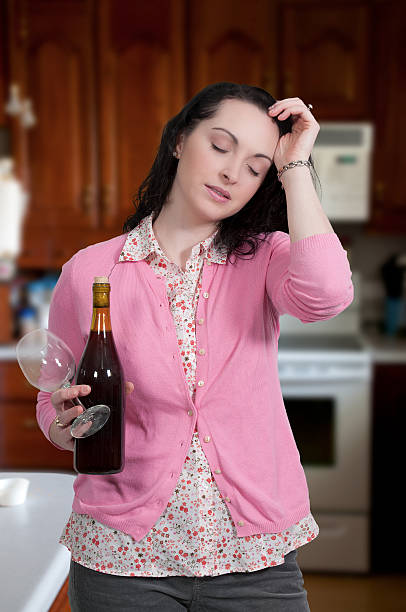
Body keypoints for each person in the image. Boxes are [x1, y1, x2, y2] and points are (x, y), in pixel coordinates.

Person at [36, 82, 354, 611]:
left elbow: (327, 295)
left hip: (254, 560)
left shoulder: (267, 257)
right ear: (181, 140)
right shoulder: (90, 271)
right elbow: (54, 400)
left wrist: (295, 166)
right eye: (221, 146)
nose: (233, 172)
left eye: (255, 166)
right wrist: (63, 424)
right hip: (121, 559)